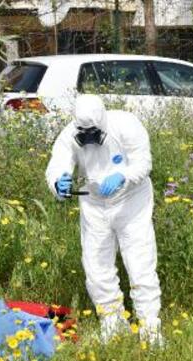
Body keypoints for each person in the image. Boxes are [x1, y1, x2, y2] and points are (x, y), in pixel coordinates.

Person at [45, 94, 163, 346]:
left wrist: (124, 176)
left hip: (132, 202)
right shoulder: (69, 135)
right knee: (96, 267)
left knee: (140, 263)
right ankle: (113, 324)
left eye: (93, 131)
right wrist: (58, 182)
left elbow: (144, 163)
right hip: (94, 203)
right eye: (83, 131)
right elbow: (57, 165)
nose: (88, 136)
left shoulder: (127, 125)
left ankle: (150, 329)